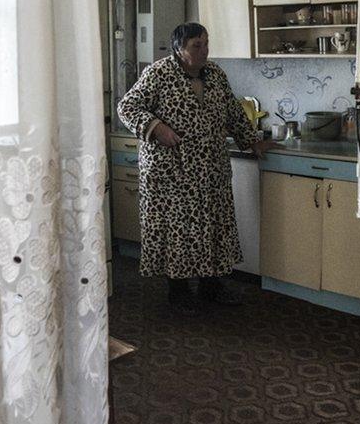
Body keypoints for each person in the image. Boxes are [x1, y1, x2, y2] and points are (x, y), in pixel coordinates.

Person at [117, 22, 279, 314]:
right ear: (179, 48)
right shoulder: (159, 74)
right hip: (172, 172)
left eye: (206, 44)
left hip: (210, 169)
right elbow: (127, 107)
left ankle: (211, 286)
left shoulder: (215, 74)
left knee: (211, 227)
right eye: (196, 46)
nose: (204, 51)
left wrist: (251, 141)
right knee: (180, 231)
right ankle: (178, 292)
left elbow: (233, 112)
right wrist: (156, 127)